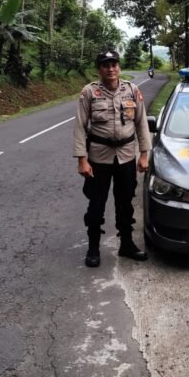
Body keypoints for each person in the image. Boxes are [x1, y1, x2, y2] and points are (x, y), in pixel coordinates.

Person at [73, 50, 152, 267]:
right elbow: (80, 126)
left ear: (119, 66)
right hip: (98, 157)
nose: (111, 69)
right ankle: (93, 247)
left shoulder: (132, 90)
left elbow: (141, 123)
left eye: (114, 64)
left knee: (125, 203)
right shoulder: (89, 93)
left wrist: (144, 154)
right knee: (96, 204)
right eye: (105, 65)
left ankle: (126, 244)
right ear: (99, 69)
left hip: (126, 156)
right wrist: (82, 159)